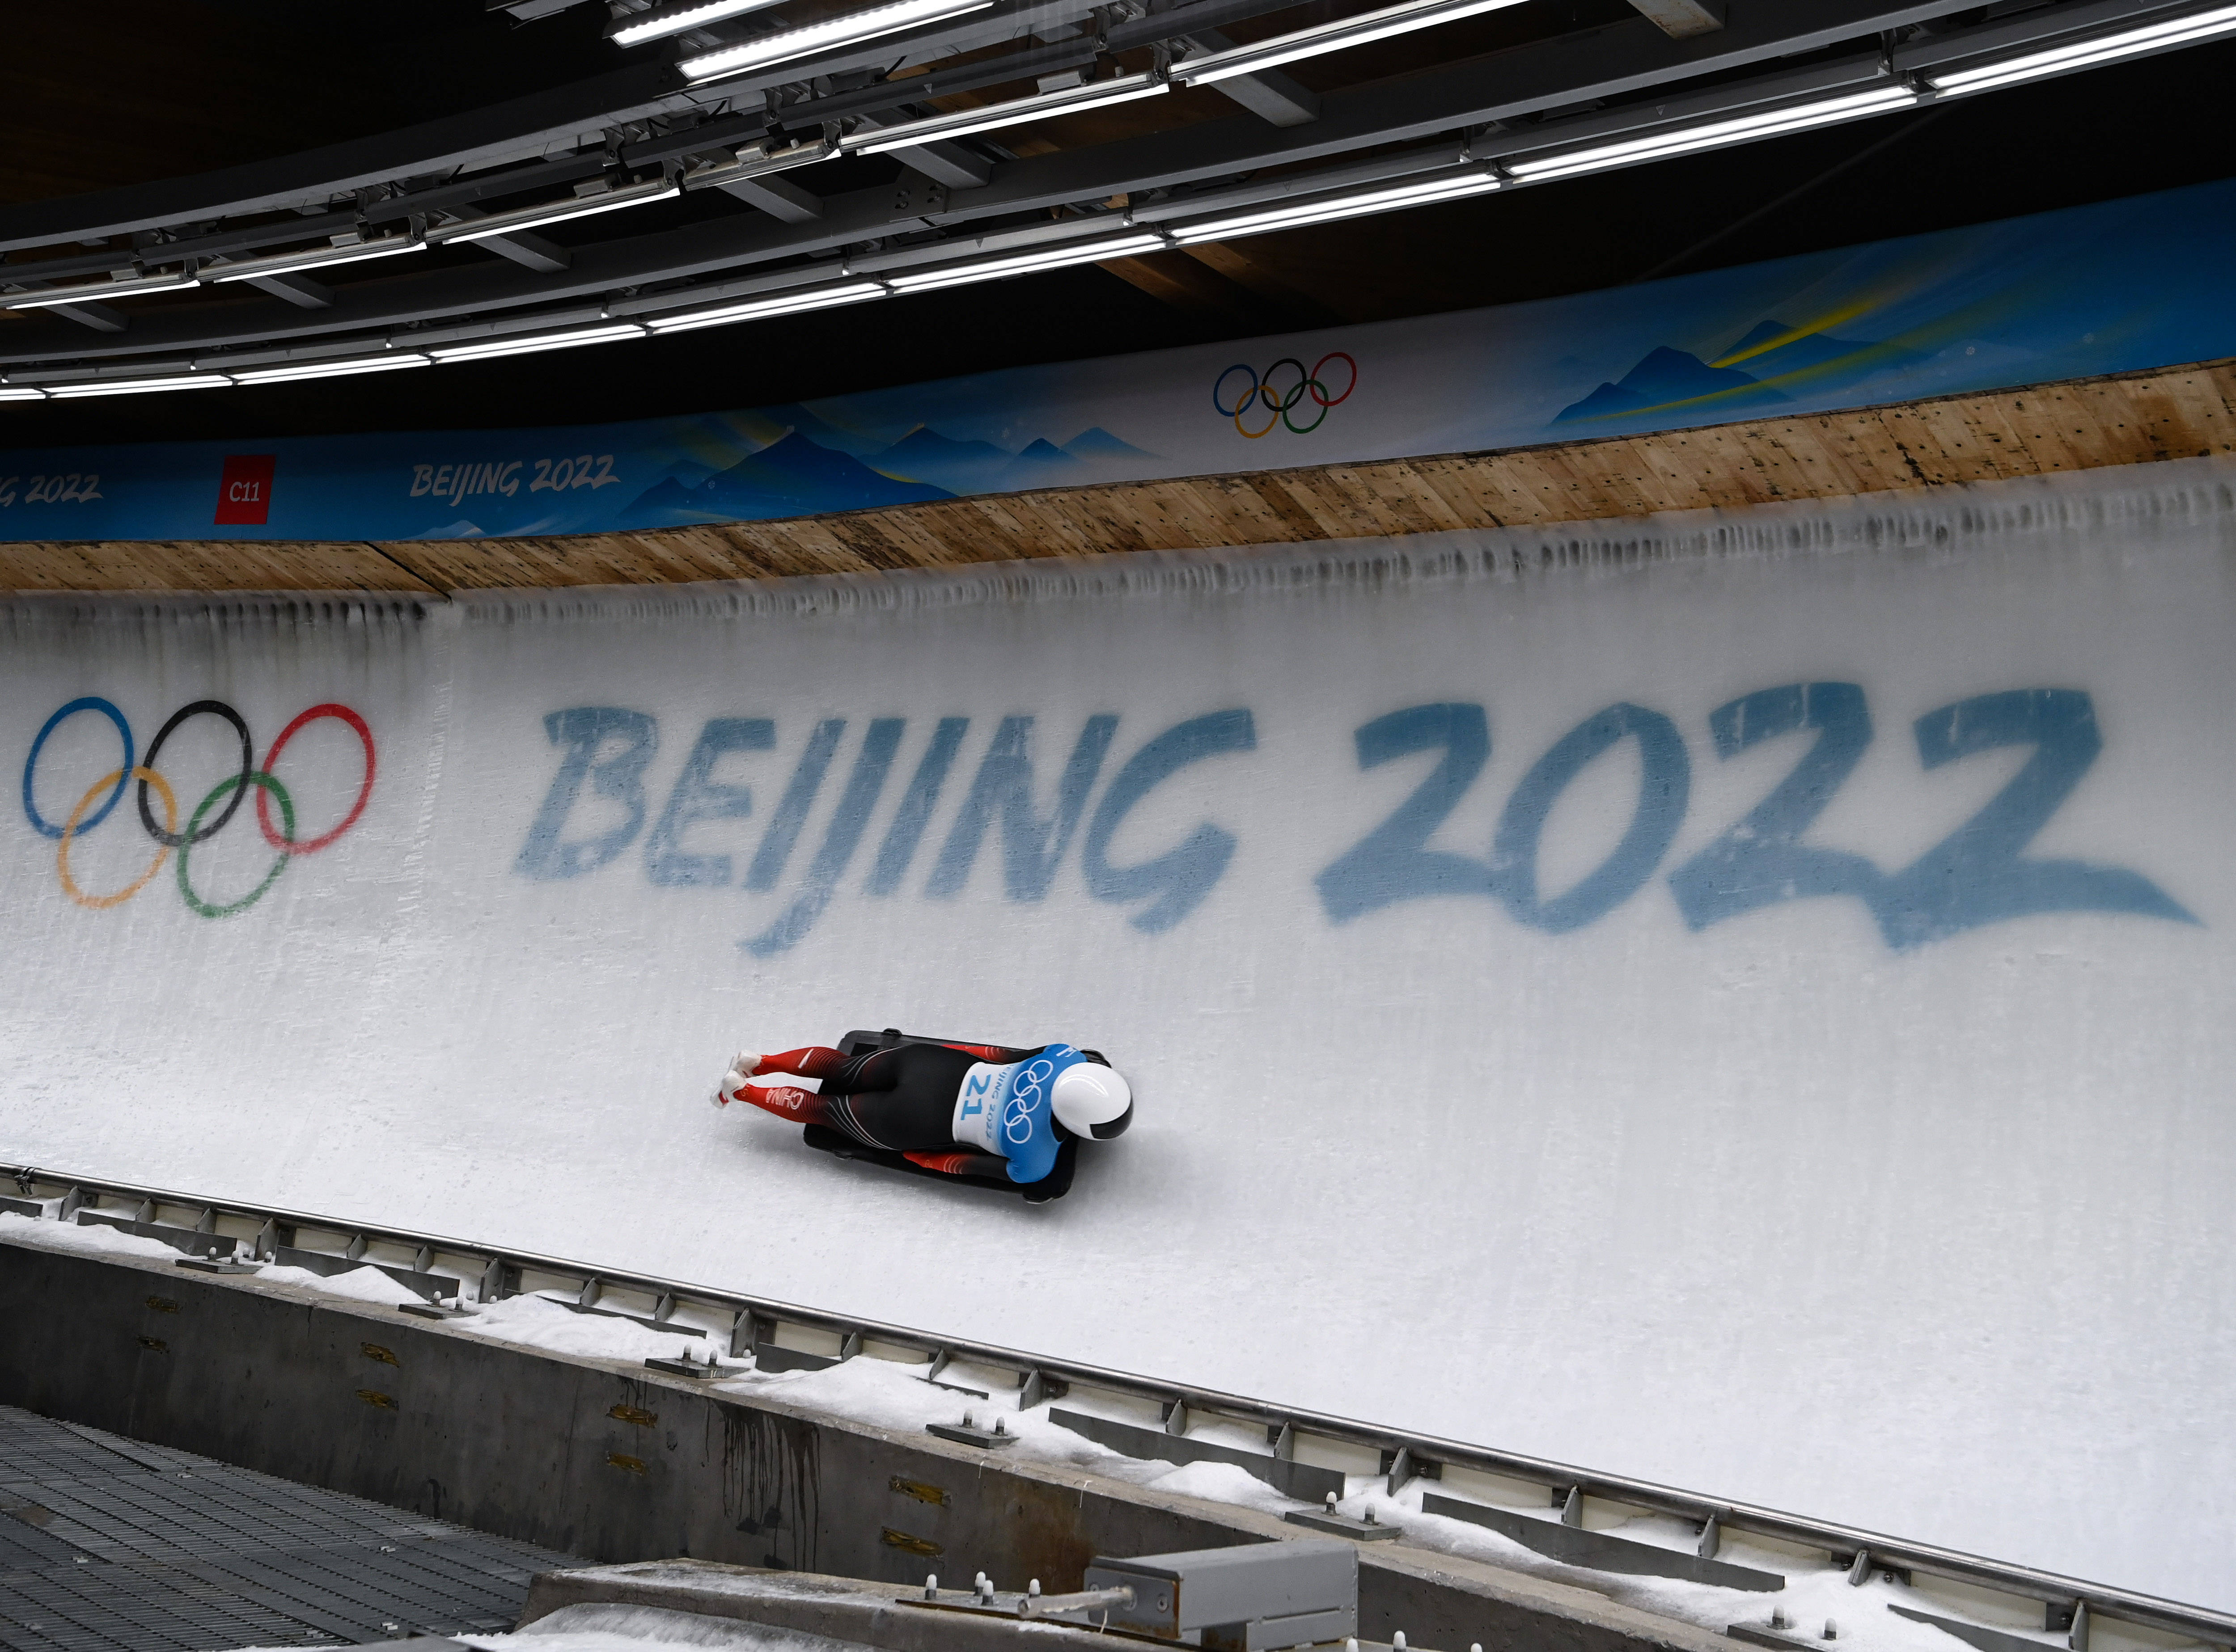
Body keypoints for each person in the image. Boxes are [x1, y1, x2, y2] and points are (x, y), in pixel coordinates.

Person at [711, 1035, 1132, 1195]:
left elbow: (995, 1054)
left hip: (929, 1065)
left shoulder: (1065, 1054)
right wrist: (918, 1158)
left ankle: (759, 1059)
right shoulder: (1035, 1163)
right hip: (910, 1120)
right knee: (825, 1112)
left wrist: (944, 1055)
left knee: (841, 1067)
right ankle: (744, 1090)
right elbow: (959, 1165)